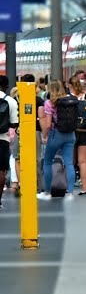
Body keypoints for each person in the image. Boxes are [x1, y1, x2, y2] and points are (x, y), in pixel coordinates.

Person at [38, 80, 77, 200]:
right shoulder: (71, 100)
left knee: (48, 162)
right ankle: (70, 193)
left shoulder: (50, 103)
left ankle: (47, 192)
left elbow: (48, 124)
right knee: (69, 163)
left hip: (56, 134)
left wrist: (44, 136)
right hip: (70, 134)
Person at [70, 79, 86, 195]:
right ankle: (84, 188)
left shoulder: (68, 97)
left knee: (70, 161)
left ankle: (69, 188)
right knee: (83, 161)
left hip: (72, 131)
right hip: (85, 130)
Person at [0, 77, 17, 209]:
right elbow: (14, 123)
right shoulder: (10, 101)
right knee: (1, 170)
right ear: (6, 86)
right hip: (3, 139)